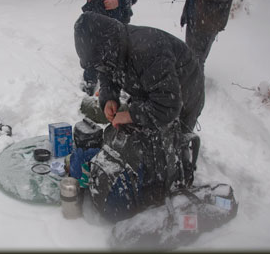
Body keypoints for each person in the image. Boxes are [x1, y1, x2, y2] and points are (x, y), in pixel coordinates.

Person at [74, 12, 205, 222]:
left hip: (184, 92)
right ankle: (151, 173)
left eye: (101, 61)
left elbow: (168, 106)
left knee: (172, 141)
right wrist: (109, 98)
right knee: (148, 138)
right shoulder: (112, 51)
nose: (100, 67)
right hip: (152, 90)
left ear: (109, 48)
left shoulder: (147, 50)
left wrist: (131, 114)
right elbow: (107, 74)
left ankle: (173, 179)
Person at [80, 0, 139, 96]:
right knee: (92, 48)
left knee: (116, 54)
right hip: (96, 13)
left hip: (118, 19)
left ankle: (116, 87)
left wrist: (119, 2)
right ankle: (90, 81)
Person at [174, 0, 236, 71]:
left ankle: (196, 82)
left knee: (196, 61)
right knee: (189, 57)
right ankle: (190, 81)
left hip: (207, 22)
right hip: (193, 17)